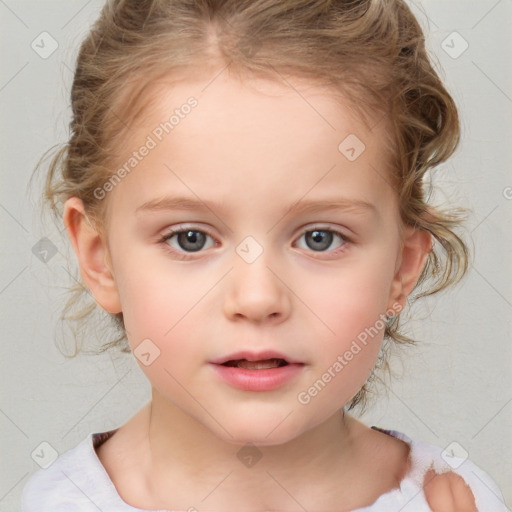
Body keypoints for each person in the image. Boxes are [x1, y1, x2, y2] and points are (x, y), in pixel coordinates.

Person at [21, 0, 508, 510]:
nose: (256, 298)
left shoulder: (455, 501)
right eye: (190, 238)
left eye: (320, 237)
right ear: (100, 258)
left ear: (401, 268)